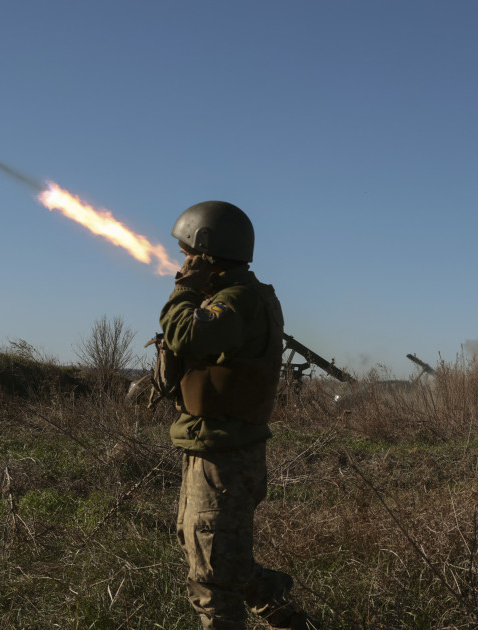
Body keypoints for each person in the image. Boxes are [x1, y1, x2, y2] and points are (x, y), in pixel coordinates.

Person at [158, 201, 315, 630]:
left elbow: (184, 332)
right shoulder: (235, 295)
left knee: (212, 581)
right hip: (212, 445)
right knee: (209, 553)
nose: (182, 259)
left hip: (225, 456)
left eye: (187, 251)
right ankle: (288, 616)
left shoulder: (238, 300)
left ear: (206, 252)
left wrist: (184, 290)